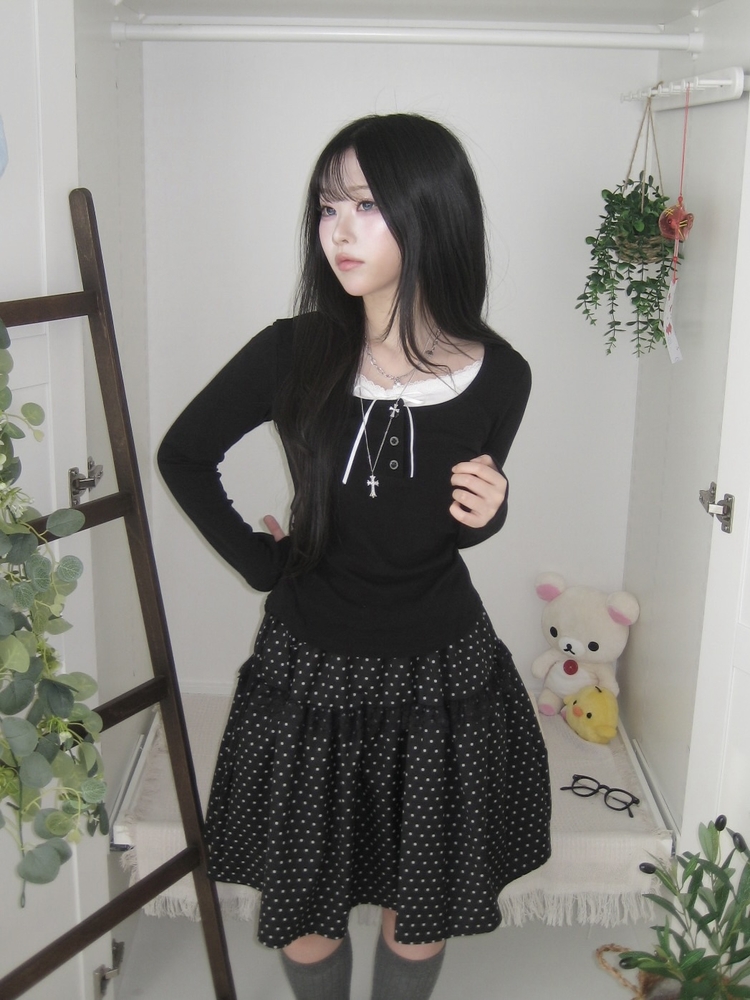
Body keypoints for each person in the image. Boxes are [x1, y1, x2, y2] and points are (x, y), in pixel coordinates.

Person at [158, 112, 551, 1000]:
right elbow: (183, 454)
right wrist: (261, 564)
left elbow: (446, 523)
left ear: (432, 212)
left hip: (441, 670)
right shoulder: (293, 350)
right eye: (328, 205)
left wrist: (491, 515)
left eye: (367, 205)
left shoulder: (501, 375)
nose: (338, 230)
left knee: (421, 907)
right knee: (304, 908)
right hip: (311, 666)